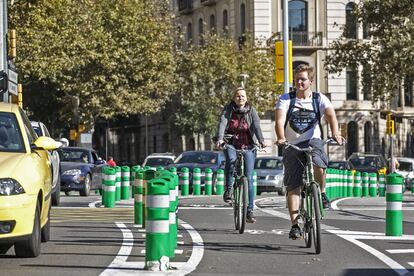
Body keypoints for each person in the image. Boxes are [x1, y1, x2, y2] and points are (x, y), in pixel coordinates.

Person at [275, 64, 344, 240]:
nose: (299, 82)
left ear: (311, 81)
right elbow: (280, 120)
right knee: (293, 185)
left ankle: (321, 193)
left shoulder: (319, 98)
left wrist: (335, 133)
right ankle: (295, 225)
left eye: (303, 79)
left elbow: (330, 116)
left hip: (313, 140)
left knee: (319, 165)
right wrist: (281, 138)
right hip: (292, 144)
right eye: (297, 79)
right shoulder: (286, 99)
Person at [216, 87, 267, 223]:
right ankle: (228, 190)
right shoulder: (228, 109)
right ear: (234, 98)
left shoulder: (251, 110)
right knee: (231, 160)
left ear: (247, 98)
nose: (241, 98)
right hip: (231, 143)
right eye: (238, 96)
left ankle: (249, 210)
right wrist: (220, 138)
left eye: (243, 96)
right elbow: (222, 123)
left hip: (248, 145)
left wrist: (261, 140)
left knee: (249, 177)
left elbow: (256, 126)